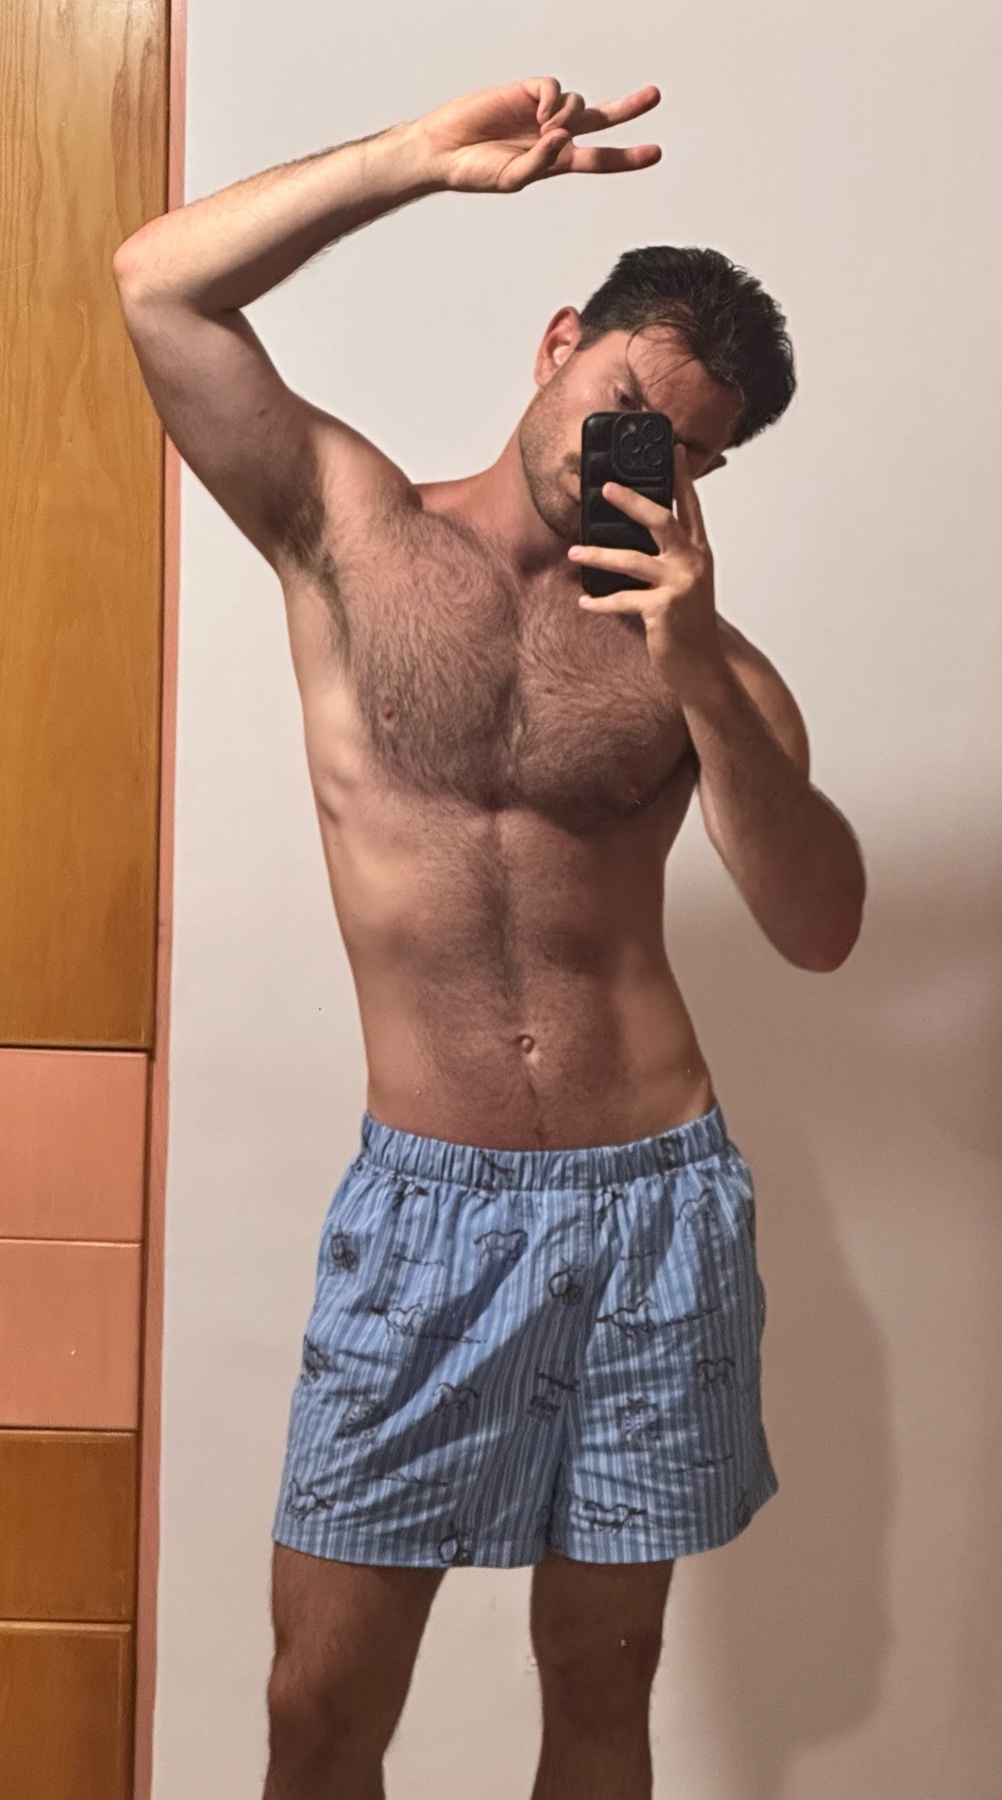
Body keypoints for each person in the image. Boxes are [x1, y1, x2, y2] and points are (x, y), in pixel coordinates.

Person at [115, 75, 866, 1800]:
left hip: (656, 1203)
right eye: (625, 407)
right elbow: (160, 286)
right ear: (555, 346)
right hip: (428, 1209)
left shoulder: (705, 661)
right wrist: (414, 164)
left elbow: (819, 926)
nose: (638, 457)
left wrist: (695, 670)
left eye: (685, 452)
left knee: (602, 1689)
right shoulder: (349, 530)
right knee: (319, 1706)